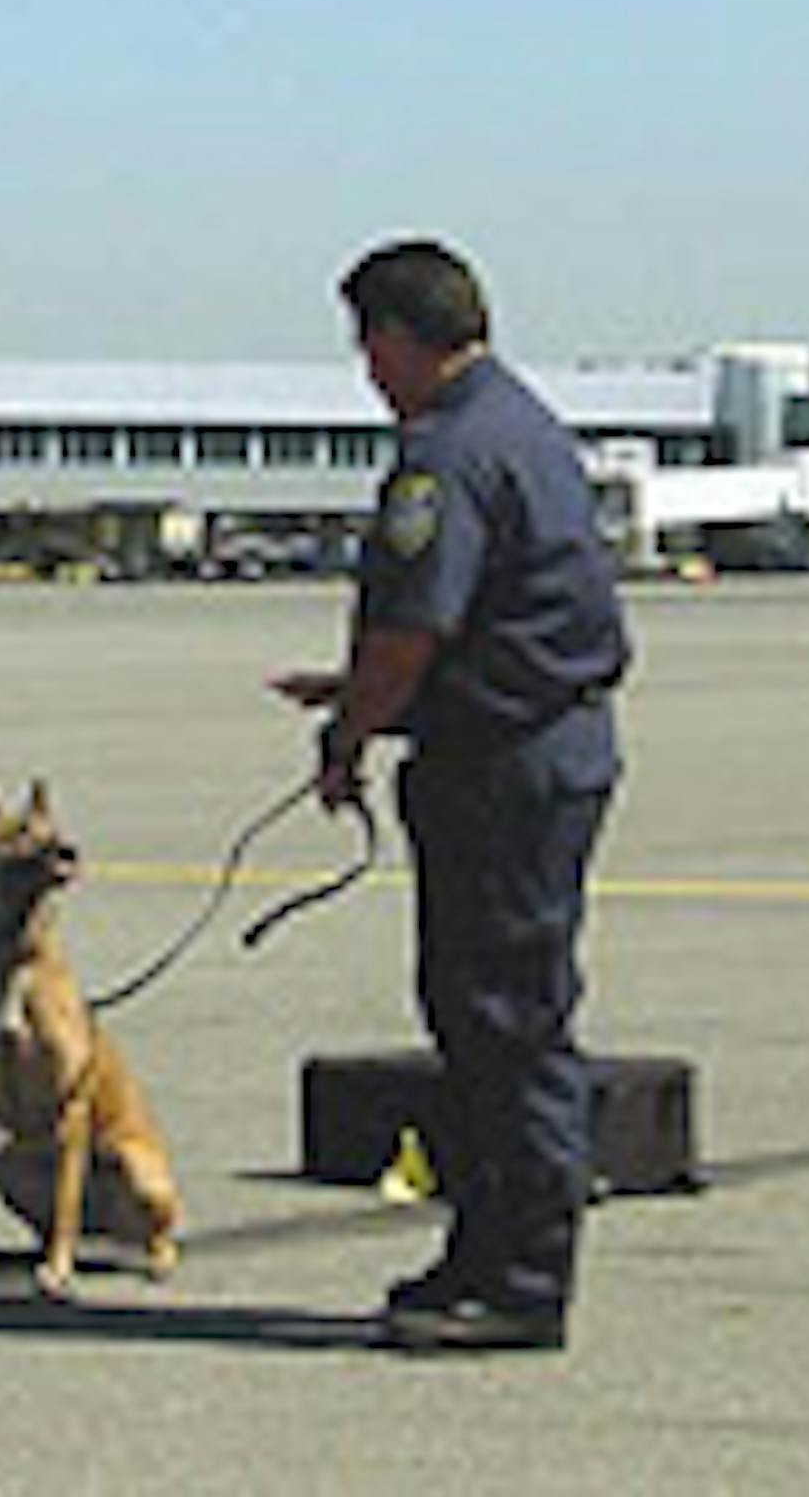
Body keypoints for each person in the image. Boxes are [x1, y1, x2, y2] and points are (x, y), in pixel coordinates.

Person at [271, 238, 629, 1352]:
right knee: (481, 1018)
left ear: (393, 338)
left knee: (507, 1021)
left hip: (505, 770)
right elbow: (485, 621)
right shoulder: (521, 422)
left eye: (368, 348)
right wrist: (376, 694)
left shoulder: (447, 454)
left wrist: (349, 732)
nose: (368, 374)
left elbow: (414, 625)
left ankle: (523, 1282)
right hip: (530, 745)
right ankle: (484, 1252)